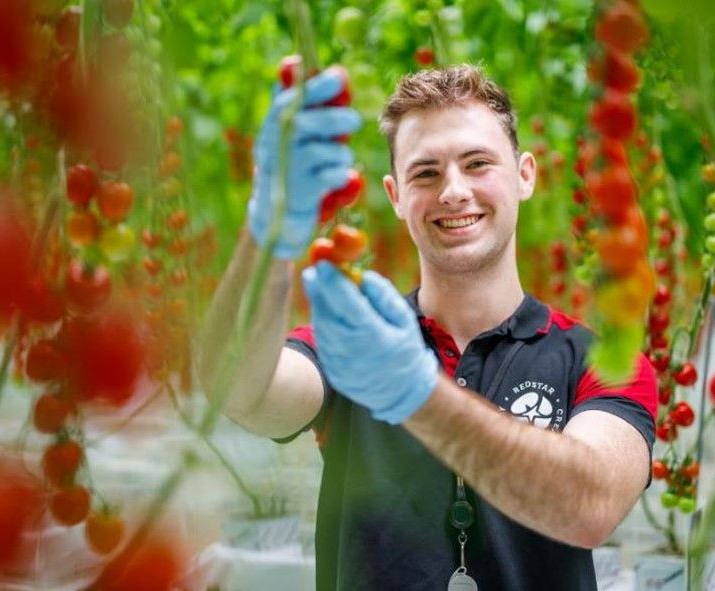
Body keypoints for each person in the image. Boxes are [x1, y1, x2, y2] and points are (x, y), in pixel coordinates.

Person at [199, 64, 657, 590]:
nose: (453, 191)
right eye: (426, 173)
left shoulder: (598, 360)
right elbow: (238, 389)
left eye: (477, 163)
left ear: (525, 175)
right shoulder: (353, 345)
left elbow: (590, 505)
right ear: (395, 195)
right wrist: (268, 236)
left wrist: (417, 393)